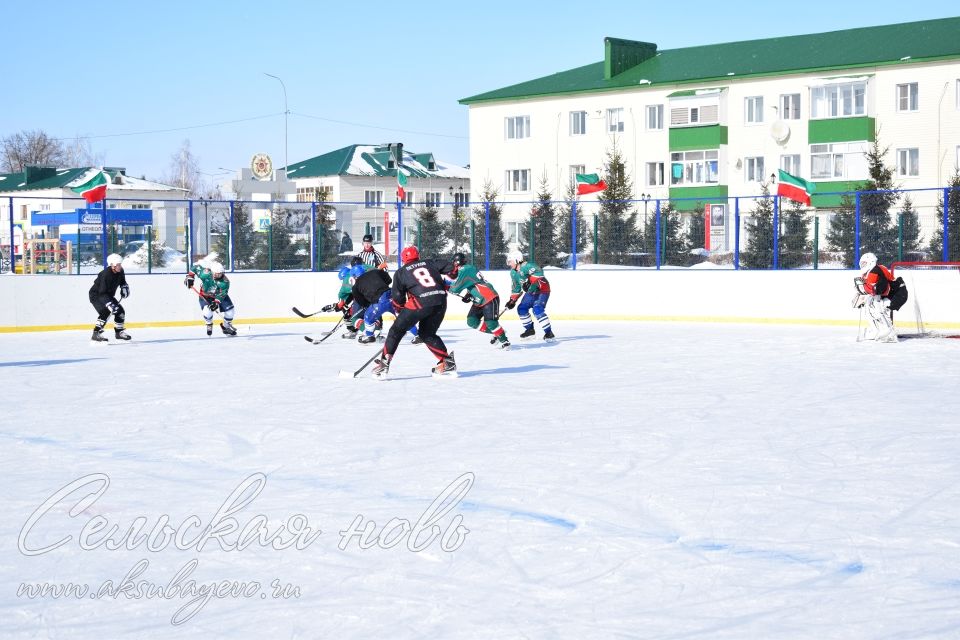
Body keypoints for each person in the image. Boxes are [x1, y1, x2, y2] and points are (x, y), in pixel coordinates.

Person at [371, 246, 456, 379]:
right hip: (440, 301)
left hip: (420, 303)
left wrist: (399, 311)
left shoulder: (401, 272)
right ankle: (447, 362)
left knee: (395, 331)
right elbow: (453, 268)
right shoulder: (430, 262)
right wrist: (447, 284)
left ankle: (384, 364)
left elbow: (398, 297)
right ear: (418, 256)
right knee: (427, 333)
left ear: (403, 259)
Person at [447, 252, 510, 349]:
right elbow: (473, 283)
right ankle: (498, 332)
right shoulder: (467, 269)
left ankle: (504, 341)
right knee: (472, 321)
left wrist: (444, 286)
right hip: (479, 300)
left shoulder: (465, 269)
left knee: (491, 322)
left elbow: (455, 289)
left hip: (488, 297)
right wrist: (469, 294)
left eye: (454, 262)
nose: (453, 265)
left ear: (457, 262)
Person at [852, 252, 908, 343]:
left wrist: (864, 290)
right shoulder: (870, 271)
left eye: (864, 263)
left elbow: (877, 289)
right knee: (870, 304)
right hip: (892, 293)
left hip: (898, 294)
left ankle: (889, 332)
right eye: (862, 263)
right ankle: (877, 330)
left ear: (871, 262)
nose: (862, 265)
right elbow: (874, 289)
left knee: (879, 305)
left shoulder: (875, 271)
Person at [505, 250, 555, 341]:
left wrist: (530, 281)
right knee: (521, 308)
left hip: (542, 290)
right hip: (531, 292)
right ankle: (530, 331)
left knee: (537, 309)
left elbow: (540, 273)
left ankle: (549, 333)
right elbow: (516, 288)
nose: (509, 264)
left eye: (510, 261)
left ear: (517, 260)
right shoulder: (513, 273)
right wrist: (512, 300)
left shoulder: (528, 266)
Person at [186, 261, 237, 336]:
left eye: (220, 273)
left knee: (230, 312)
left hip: (219, 296)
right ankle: (209, 323)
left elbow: (223, 293)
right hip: (205, 296)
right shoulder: (205, 274)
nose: (219, 275)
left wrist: (216, 302)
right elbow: (195, 268)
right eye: (217, 273)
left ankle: (226, 328)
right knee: (207, 311)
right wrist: (190, 277)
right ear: (212, 272)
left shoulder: (225, 282)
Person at [89, 253, 131, 342]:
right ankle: (96, 334)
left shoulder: (120, 271)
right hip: (96, 295)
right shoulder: (106, 275)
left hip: (107, 295)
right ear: (112, 265)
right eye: (118, 265)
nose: (120, 266)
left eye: (120, 264)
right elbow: (101, 292)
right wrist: (109, 304)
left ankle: (119, 332)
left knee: (120, 311)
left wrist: (124, 287)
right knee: (106, 312)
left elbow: (122, 281)